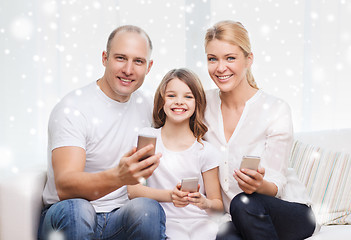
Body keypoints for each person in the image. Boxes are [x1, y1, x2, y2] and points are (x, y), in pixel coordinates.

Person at [38, 25, 166, 240]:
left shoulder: (150, 106)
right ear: (105, 58)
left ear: (149, 66)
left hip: (118, 219)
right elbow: (65, 187)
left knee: (147, 208)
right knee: (78, 210)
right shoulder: (73, 108)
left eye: (138, 61)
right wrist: (118, 176)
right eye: (120, 58)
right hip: (68, 217)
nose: (128, 69)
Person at [203, 20, 317, 240]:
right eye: (212, 59)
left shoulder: (275, 109)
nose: (220, 67)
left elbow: (276, 183)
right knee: (224, 236)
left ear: (249, 59)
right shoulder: (202, 104)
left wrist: (259, 184)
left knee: (244, 202)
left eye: (230, 58)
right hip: (235, 217)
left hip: (288, 211)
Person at [128, 68, 224, 240]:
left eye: (188, 96)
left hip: (201, 223)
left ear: (197, 104)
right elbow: (133, 190)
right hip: (165, 222)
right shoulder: (148, 138)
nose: (179, 102)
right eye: (172, 96)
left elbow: (217, 205)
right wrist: (170, 197)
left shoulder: (206, 151)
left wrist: (204, 202)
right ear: (162, 101)